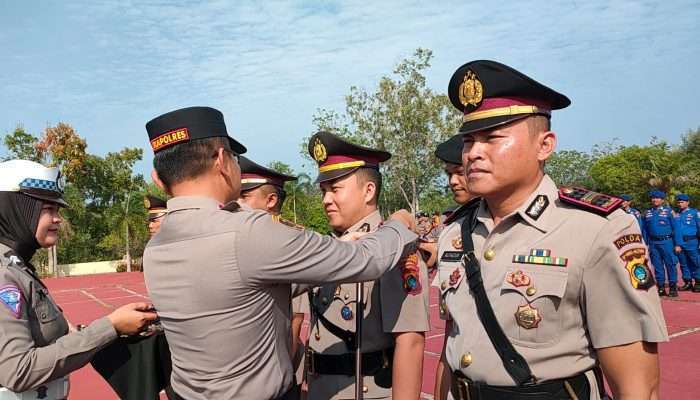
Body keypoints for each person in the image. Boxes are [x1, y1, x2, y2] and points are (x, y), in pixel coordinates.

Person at [141, 106, 418, 400]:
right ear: (222, 160)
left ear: (158, 178)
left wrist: (342, 244)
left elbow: (243, 289)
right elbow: (367, 260)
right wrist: (399, 225)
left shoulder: (156, 249)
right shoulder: (248, 232)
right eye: (234, 158)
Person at [435, 60, 667, 400]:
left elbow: (637, 384)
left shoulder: (595, 229)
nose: (473, 153)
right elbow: (452, 348)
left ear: (545, 145)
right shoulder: (455, 232)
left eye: (492, 138)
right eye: (469, 140)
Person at [0, 159, 158, 399]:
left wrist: (114, 329)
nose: (57, 219)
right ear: (17, 209)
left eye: (57, 210)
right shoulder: (4, 275)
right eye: (48, 209)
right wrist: (110, 326)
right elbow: (19, 370)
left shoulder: (19, 267)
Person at [303, 131, 430, 399]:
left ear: (368, 190)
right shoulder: (329, 247)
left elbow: (410, 342)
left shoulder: (395, 251)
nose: (326, 200)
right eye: (323, 191)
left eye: (335, 189)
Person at [237, 155, 306, 395]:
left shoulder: (291, 247)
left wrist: (283, 380)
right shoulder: (241, 244)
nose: (237, 203)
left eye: (244, 197)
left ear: (271, 200)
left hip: (276, 377)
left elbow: (295, 321)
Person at [644, 190, 682, 297]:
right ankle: (661, 287)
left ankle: (673, 287)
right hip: (653, 243)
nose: (655, 200)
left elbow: (676, 229)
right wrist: (645, 244)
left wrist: (678, 244)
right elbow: (645, 230)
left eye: (657, 198)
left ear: (662, 200)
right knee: (657, 266)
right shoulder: (647, 213)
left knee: (670, 264)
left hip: (667, 242)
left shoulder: (669, 212)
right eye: (653, 198)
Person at [674, 194, 700, 292]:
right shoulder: (677, 215)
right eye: (679, 202)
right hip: (680, 243)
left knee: (695, 262)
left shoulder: (694, 213)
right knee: (683, 263)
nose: (680, 204)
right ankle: (688, 282)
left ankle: (698, 282)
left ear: (688, 202)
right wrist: (677, 243)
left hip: (692, 241)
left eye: (682, 202)